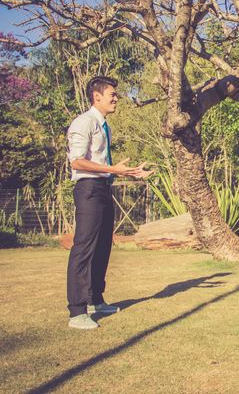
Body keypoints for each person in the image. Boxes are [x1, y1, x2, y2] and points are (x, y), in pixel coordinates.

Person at [66, 76, 152, 329]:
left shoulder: (104, 126)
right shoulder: (84, 122)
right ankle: (77, 312)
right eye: (112, 94)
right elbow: (77, 162)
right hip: (88, 189)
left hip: (104, 187)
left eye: (116, 94)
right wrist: (112, 169)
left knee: (103, 246)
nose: (116, 98)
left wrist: (128, 172)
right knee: (84, 248)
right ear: (97, 97)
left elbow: (104, 167)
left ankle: (95, 299)